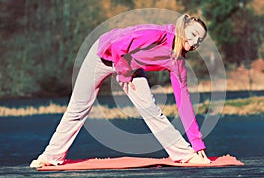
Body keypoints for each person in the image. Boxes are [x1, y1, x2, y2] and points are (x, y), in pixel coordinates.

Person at [30, 14, 211, 168]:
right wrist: (124, 74)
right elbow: (118, 45)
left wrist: (197, 143)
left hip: (131, 68)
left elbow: (184, 101)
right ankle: (50, 157)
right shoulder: (158, 34)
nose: (195, 42)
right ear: (182, 28)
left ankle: (185, 155)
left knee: (151, 110)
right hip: (103, 56)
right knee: (78, 107)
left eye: (200, 40)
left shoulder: (178, 62)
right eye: (193, 34)